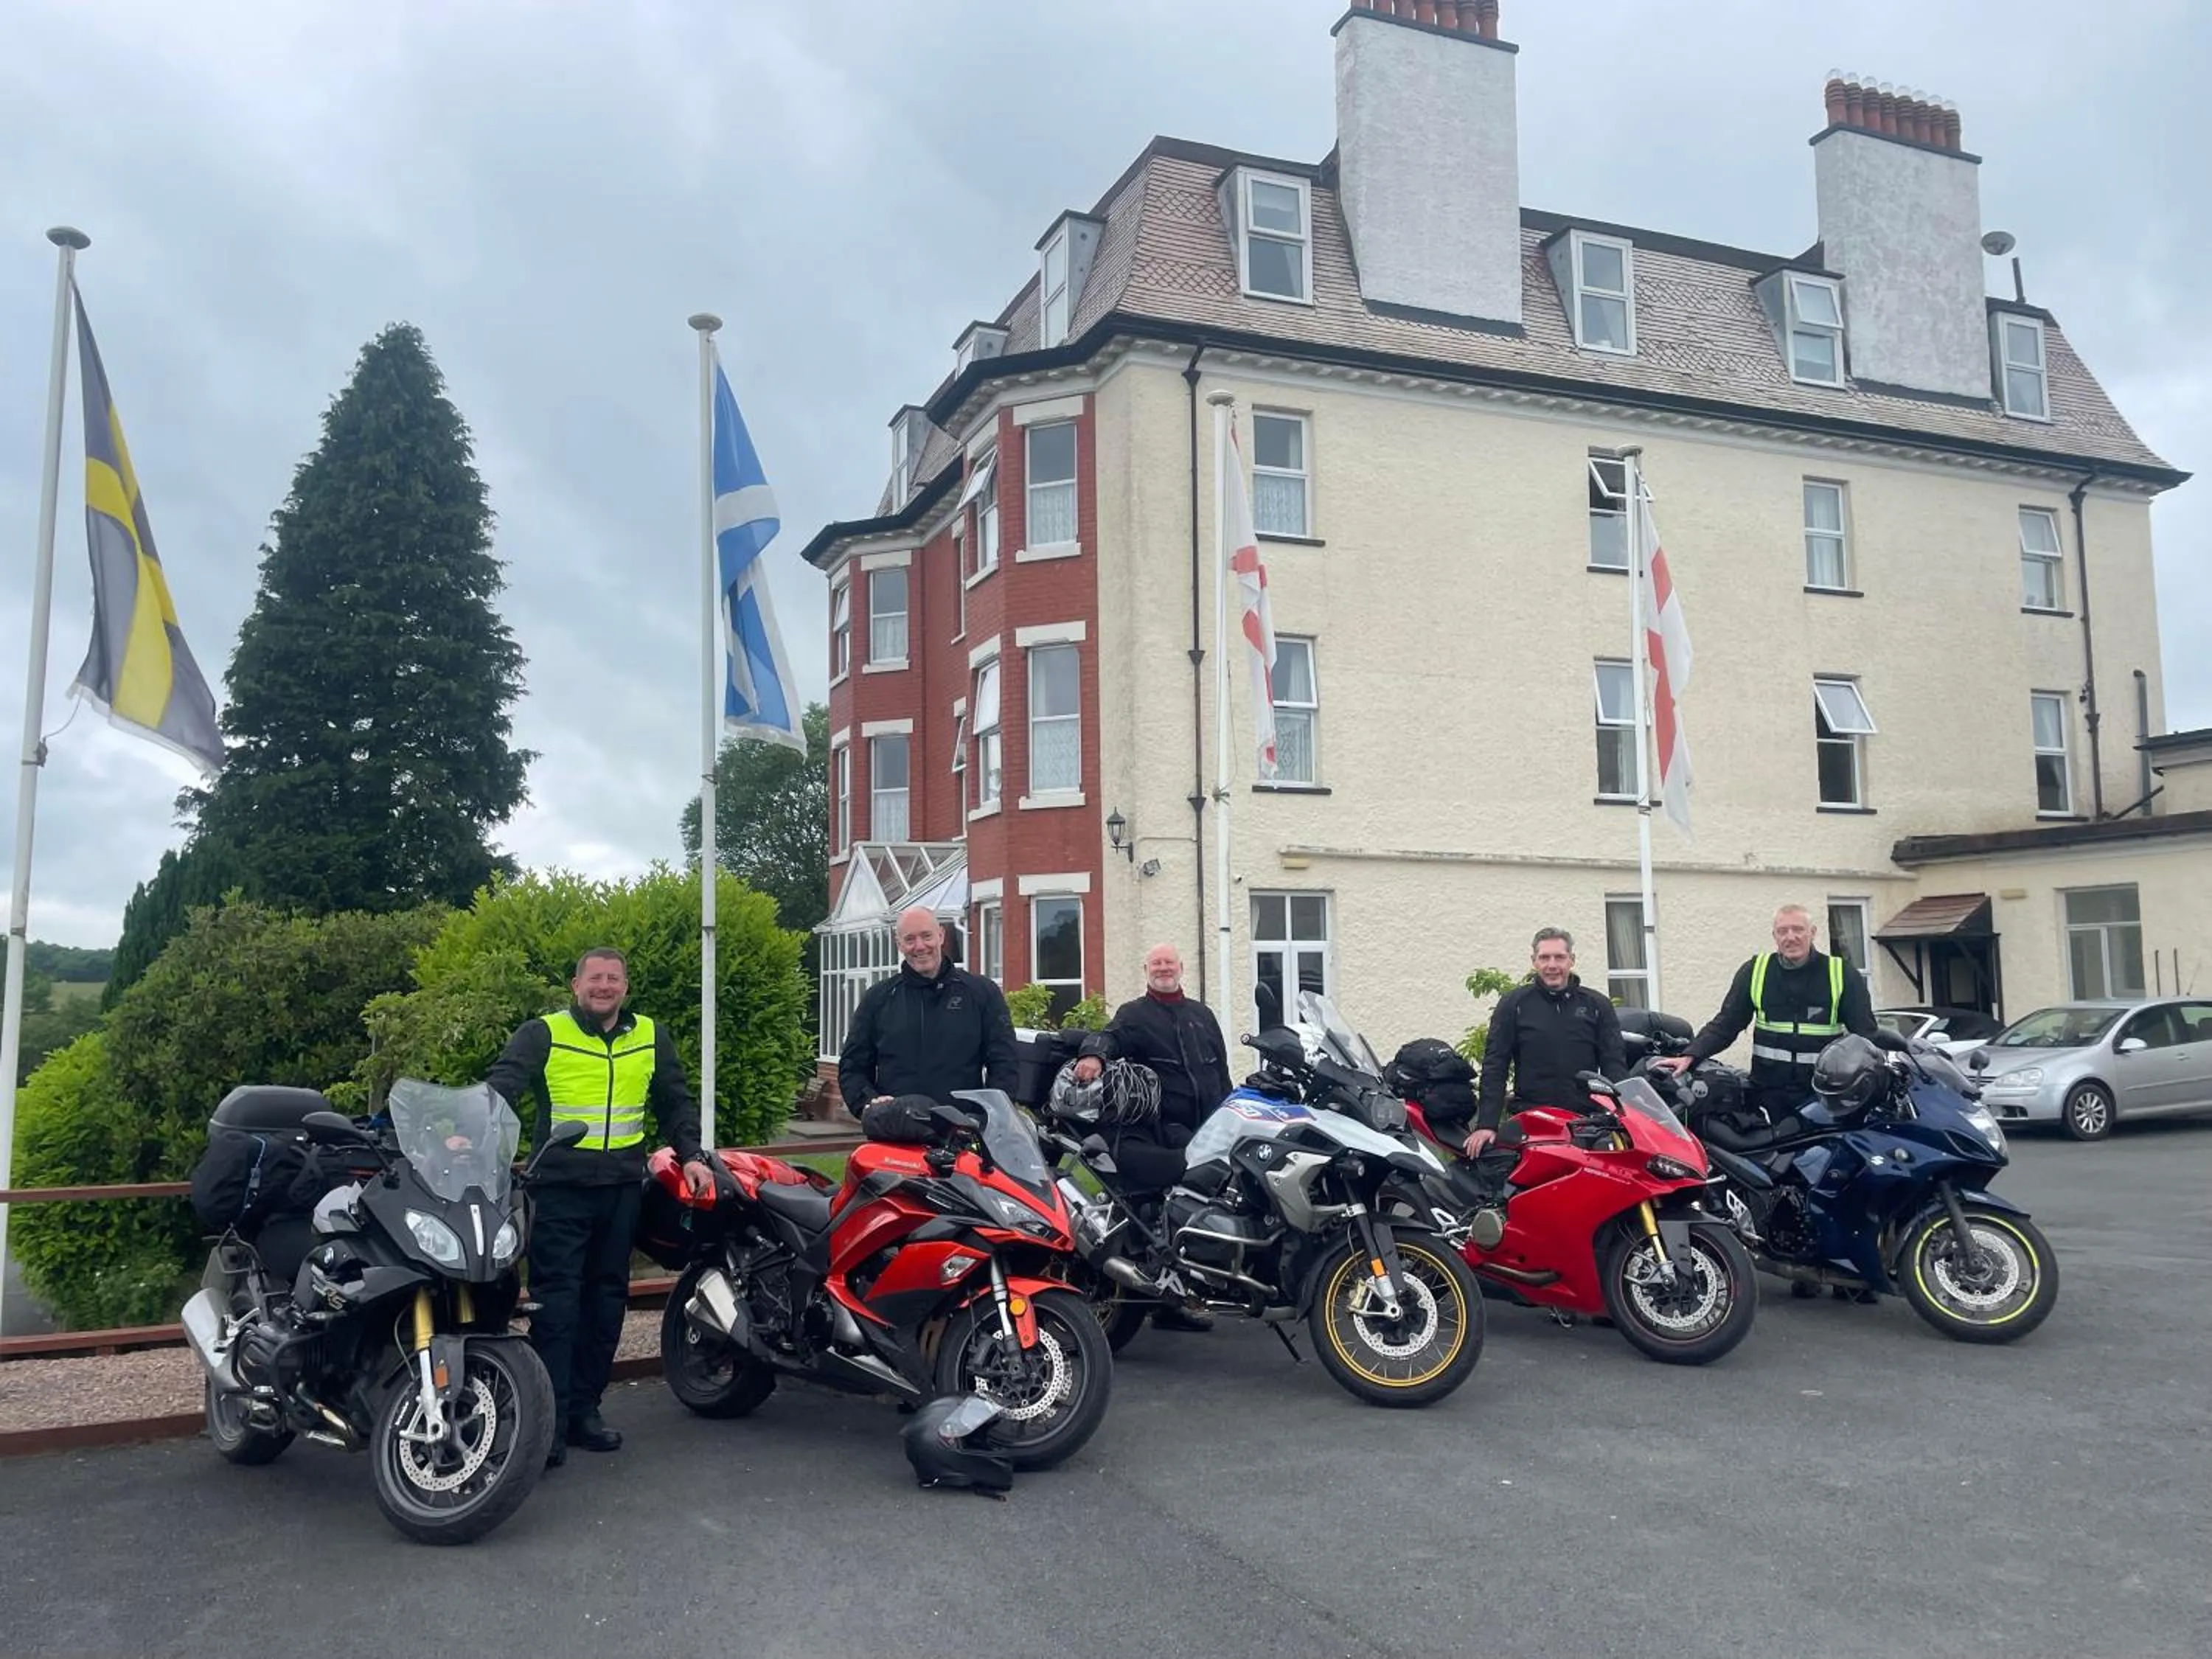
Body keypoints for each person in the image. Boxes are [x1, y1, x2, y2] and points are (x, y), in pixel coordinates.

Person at [487, 947, 711, 1466]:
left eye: (613, 979)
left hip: (621, 1189)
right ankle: (550, 1424)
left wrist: (693, 1154)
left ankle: (586, 1411)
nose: (604, 987)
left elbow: (674, 1102)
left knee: (607, 1303)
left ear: (625, 988)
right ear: (576, 985)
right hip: (560, 1188)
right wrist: (467, 1140)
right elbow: (500, 1089)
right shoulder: (544, 1032)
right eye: (595, 979)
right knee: (557, 1306)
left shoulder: (650, 1035)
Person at [1068, 944, 1233, 1332]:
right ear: (1146, 970)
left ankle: (1192, 1291)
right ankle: (1169, 1301)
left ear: (1181, 968)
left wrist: (1232, 1113)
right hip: (1163, 1131)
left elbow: (1221, 1073)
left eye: (1169, 963)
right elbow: (1109, 1037)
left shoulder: (1202, 1016)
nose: (1163, 968)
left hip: (1206, 1127)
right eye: (1156, 963)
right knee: (1171, 1211)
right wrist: (1094, 1057)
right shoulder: (1135, 1015)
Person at [1651, 902, 1877, 1118]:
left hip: (1822, 1095)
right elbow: (1727, 1024)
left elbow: (1865, 1035)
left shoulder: (1841, 974)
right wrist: (1690, 1055)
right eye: (1783, 931)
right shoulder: (1755, 971)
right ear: (1775, 936)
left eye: (1798, 929)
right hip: (1768, 1093)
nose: (1791, 937)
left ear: (1813, 932)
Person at [838, 906, 1019, 1112]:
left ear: (941, 935)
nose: (920, 946)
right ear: (899, 945)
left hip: (963, 1133)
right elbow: (852, 1068)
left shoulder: (982, 993)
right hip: (896, 1134)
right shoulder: (878, 999)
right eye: (910, 939)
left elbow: (1005, 1064)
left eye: (926, 936)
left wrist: (992, 1116)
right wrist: (869, 1103)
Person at [1470, 927, 1627, 1161]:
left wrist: (1624, 1119)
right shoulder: (1514, 1004)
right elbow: (1496, 1065)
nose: (1552, 965)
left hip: (1584, 1122)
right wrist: (1487, 1125)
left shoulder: (1597, 1005)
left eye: (1559, 957)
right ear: (1534, 962)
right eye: (1544, 958)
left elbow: (1615, 1066)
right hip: (1532, 1121)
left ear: (1571, 960)